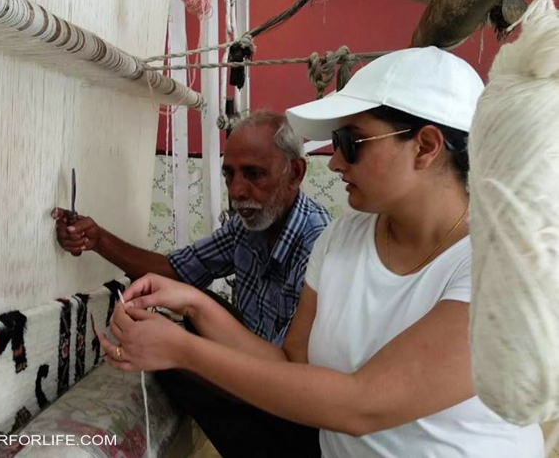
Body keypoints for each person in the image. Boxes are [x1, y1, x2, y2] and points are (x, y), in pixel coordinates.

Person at [99, 47, 544, 457]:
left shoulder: (497, 265)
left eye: (351, 144)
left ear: (425, 146)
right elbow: (292, 363)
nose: (333, 162)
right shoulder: (341, 240)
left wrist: (182, 351)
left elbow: (363, 404)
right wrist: (194, 301)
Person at [52, 111, 331, 457]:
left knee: (174, 362)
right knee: (192, 314)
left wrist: (177, 353)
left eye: (254, 174)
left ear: (296, 172)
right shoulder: (249, 224)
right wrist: (97, 239)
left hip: (296, 407)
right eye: (229, 174)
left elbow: (289, 380)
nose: (237, 191)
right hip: (262, 359)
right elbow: (177, 271)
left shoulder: (319, 247)